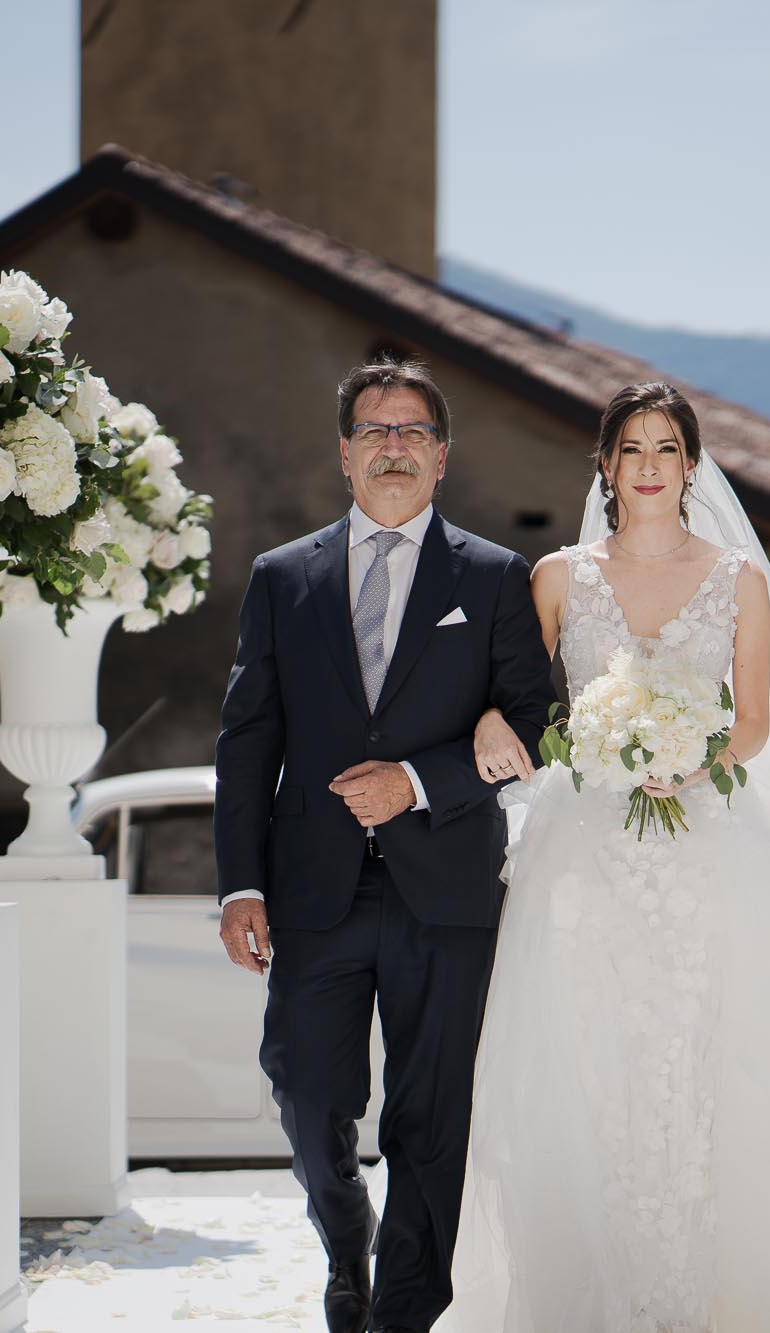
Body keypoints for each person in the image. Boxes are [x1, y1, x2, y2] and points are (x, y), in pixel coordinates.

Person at [438, 382, 770, 1332]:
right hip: (585, 853)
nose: (649, 466)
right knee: (589, 1051)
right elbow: (529, 701)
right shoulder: (561, 576)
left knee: (711, 1054)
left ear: (691, 464)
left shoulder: (738, 576)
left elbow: (759, 722)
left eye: (666, 448)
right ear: (605, 465)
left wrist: (684, 756)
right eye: (631, 449)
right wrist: (528, 725)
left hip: (707, 852)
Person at [213, 358, 557, 1333]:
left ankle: (404, 1309)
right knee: (304, 1090)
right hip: (312, 891)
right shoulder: (282, 578)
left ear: (441, 458)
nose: (393, 446)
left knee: (431, 1118)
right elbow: (247, 741)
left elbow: (530, 726)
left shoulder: (494, 578)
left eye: (411, 431)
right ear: (343, 454)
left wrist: (415, 781)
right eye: (374, 430)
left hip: (445, 888)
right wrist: (239, 884)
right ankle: (344, 1242)